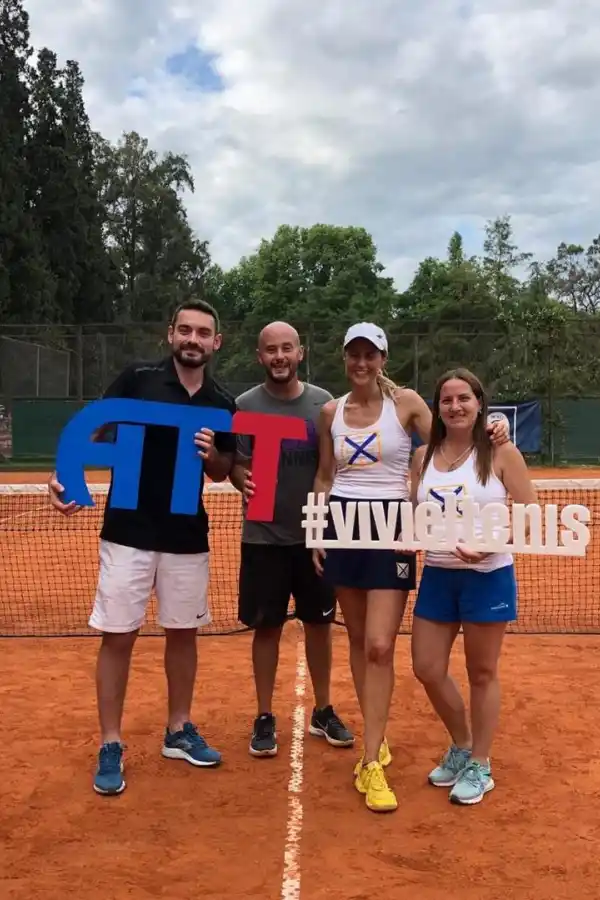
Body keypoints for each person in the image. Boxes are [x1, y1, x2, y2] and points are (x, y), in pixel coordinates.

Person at [311, 324, 510, 814]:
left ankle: (373, 759)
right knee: (360, 642)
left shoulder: (408, 405)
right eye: (353, 354)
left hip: (392, 531)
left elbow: (451, 439)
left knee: (380, 645)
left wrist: (497, 425)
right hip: (342, 527)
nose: (361, 363)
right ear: (344, 357)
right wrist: (316, 528)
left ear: (382, 358)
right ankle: (374, 744)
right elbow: (324, 475)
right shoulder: (330, 412)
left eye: (370, 355)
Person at [47, 300, 237, 796]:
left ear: (216, 342)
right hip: (127, 533)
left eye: (204, 333)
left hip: (186, 536)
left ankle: (178, 729)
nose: (193, 339)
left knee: (183, 634)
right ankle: (111, 742)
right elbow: (94, 423)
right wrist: (65, 471)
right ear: (170, 333)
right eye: (186, 330)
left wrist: (213, 453)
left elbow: (221, 469)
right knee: (118, 636)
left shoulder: (222, 401)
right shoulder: (138, 377)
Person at [410, 367, 536, 806]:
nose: (455, 406)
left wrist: (489, 547)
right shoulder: (422, 456)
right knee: (426, 666)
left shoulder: (502, 453)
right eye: (447, 400)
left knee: (482, 673)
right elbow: (413, 514)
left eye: (464, 398)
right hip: (438, 574)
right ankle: (462, 743)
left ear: (479, 403)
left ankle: (480, 763)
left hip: (489, 576)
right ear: (437, 408)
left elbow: (529, 512)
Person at [229, 321, 354, 757]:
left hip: (316, 537)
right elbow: (236, 463)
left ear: (300, 353)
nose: (279, 356)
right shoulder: (244, 405)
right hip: (263, 537)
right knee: (266, 628)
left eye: (287, 349)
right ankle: (264, 715)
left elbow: (334, 466)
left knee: (320, 625)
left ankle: (323, 710)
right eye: (270, 350)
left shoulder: (325, 405)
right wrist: (241, 477)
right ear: (259, 356)